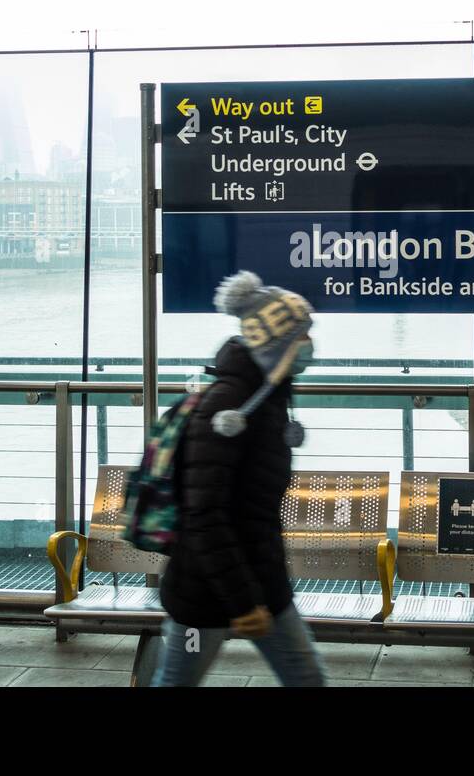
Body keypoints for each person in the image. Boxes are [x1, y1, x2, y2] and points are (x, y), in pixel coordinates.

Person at [152, 270, 327, 687]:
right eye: (301, 336)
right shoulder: (227, 408)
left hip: (263, 583)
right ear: (277, 345)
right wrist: (242, 601)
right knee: (176, 681)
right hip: (207, 594)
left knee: (306, 679)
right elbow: (205, 515)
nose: (308, 345)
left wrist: (259, 593)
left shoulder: (267, 400)